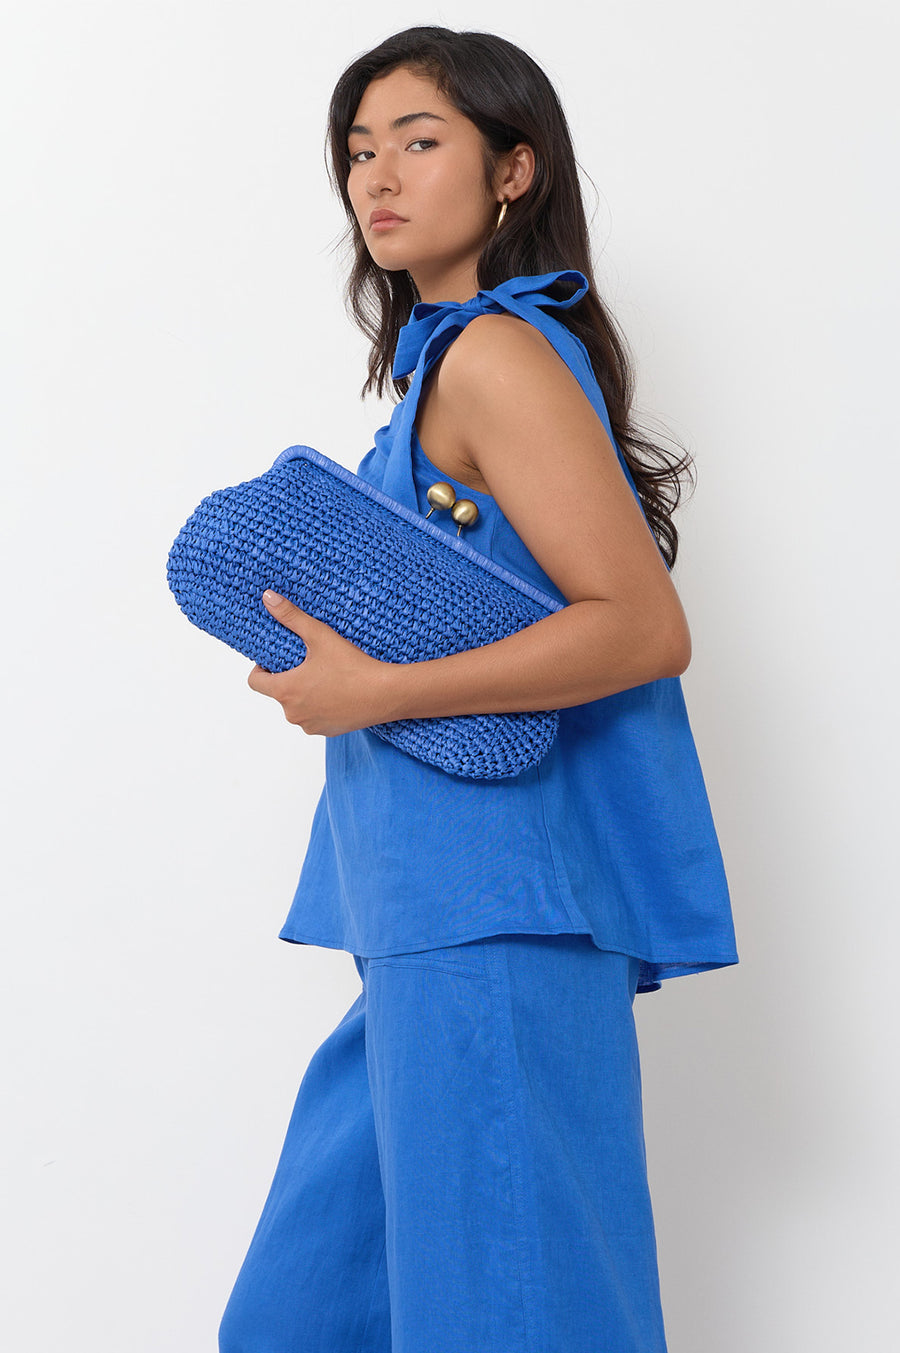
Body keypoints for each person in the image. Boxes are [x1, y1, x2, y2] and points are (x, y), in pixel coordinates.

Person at [217, 25, 739, 1353]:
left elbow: (641, 627)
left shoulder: (496, 356)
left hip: (492, 914)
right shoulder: (437, 368)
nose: (378, 177)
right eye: (358, 151)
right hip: (427, 917)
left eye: (419, 140)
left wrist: (375, 691)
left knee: (508, 1318)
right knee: (303, 1317)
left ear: (514, 171)